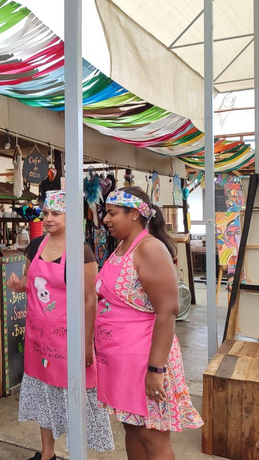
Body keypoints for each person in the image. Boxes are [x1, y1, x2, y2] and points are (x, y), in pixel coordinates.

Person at [96, 187, 203, 460]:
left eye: (111, 213)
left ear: (134, 213)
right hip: (120, 359)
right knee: (132, 429)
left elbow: (168, 311)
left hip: (145, 359)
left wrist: (156, 369)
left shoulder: (150, 249)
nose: (105, 220)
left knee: (152, 436)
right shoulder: (122, 246)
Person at [8, 191, 114, 460]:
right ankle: (47, 454)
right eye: (46, 214)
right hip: (38, 336)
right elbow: (27, 282)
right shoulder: (35, 246)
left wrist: (87, 342)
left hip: (69, 337)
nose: (49, 219)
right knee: (43, 393)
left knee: (72, 395)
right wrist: (18, 285)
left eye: (56, 214)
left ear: (71, 216)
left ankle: (77, 452)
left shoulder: (82, 251)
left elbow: (90, 300)